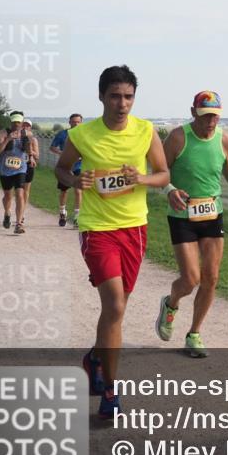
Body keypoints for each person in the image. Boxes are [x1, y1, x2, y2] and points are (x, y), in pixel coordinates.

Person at [55, 65, 169, 418]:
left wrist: (142, 178)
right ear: (102, 96)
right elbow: (60, 168)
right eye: (116, 96)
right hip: (97, 229)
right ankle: (111, 393)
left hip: (134, 228)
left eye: (129, 96)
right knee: (116, 306)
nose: (123, 104)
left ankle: (94, 357)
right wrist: (75, 181)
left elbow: (164, 175)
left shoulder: (146, 131)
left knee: (115, 310)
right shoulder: (83, 134)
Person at [155, 91, 228, 358]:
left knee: (211, 277)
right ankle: (171, 303)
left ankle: (194, 334)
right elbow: (159, 171)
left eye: (215, 115)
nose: (210, 121)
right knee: (190, 279)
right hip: (182, 215)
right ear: (193, 112)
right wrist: (169, 189)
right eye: (205, 115)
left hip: (212, 213)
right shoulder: (179, 137)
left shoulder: (225, 139)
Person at [0, 111, 30, 234]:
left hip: (20, 168)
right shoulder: (3, 133)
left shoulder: (26, 134)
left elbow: (29, 151)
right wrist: (8, 139)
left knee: (20, 194)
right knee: (8, 196)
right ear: (11, 121)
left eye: (19, 122)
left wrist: (28, 141)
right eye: (14, 122)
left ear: (22, 122)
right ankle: (7, 213)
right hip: (5, 169)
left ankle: (19, 223)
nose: (16, 124)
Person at [51, 113, 83, 227]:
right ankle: (62, 212)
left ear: (81, 123)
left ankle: (77, 217)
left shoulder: (84, 135)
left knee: (78, 190)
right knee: (64, 191)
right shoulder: (62, 134)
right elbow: (52, 147)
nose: (76, 123)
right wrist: (63, 153)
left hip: (79, 166)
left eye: (78, 122)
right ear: (69, 122)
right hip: (65, 166)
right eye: (74, 121)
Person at [20, 119, 40, 224]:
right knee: (18, 190)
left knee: (26, 191)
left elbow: (37, 155)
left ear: (30, 128)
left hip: (28, 165)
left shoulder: (33, 140)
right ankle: (18, 210)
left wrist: (29, 149)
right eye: (23, 125)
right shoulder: (16, 138)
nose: (25, 127)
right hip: (17, 165)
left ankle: (22, 213)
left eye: (27, 126)